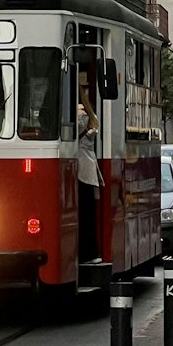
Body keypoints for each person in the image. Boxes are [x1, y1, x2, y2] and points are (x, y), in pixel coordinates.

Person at [77, 84, 102, 263]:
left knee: (84, 215)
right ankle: (90, 252)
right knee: (87, 215)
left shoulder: (81, 116)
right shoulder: (90, 116)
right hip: (88, 171)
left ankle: (88, 253)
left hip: (83, 172)